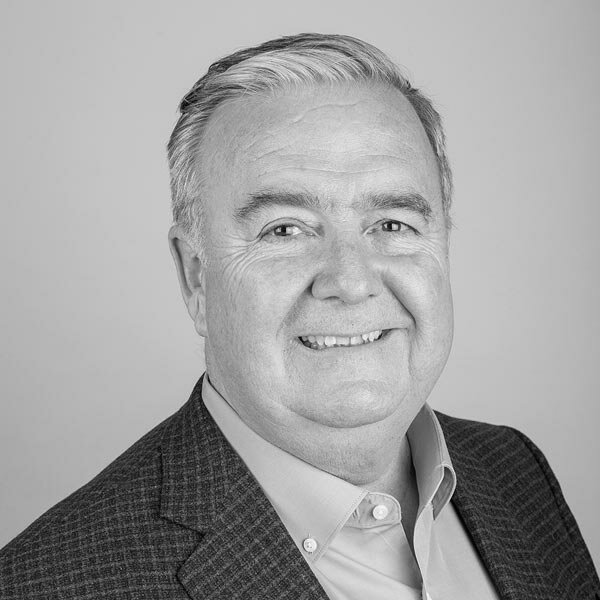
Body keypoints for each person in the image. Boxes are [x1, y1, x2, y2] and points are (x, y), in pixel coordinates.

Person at [0, 32, 597, 600]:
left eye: (393, 224)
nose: (351, 282)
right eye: (284, 230)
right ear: (196, 277)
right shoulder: (47, 584)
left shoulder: (515, 473)